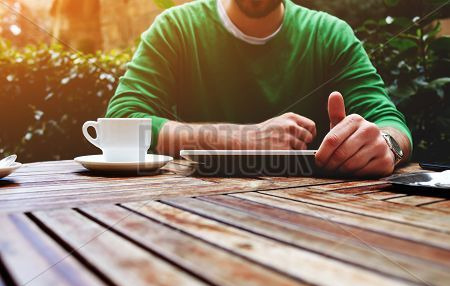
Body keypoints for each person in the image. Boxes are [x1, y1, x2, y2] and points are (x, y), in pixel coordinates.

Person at [107, 0, 412, 177]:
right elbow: (123, 120)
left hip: (317, 216)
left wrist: (386, 144)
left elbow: (389, 122)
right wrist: (242, 138)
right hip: (194, 210)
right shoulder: (176, 28)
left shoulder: (329, 34)